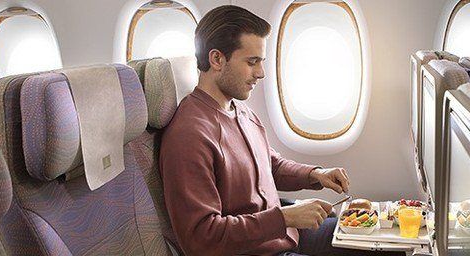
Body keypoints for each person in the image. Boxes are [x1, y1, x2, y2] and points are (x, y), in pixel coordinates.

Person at [160, 5, 402, 256]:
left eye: (261, 62)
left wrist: (316, 174)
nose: (261, 73)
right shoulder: (189, 136)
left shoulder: (240, 111)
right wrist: (284, 217)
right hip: (257, 249)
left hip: (284, 235)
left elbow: (269, 165)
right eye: (252, 62)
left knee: (383, 241)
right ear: (217, 59)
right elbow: (202, 238)